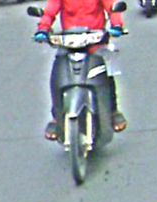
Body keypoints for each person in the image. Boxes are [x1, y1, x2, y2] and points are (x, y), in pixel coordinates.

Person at [33, 0, 127, 140]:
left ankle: (113, 111)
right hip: (69, 42)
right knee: (58, 73)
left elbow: (112, 7)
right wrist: (43, 28)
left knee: (107, 74)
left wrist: (117, 25)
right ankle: (56, 117)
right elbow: (50, 11)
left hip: (95, 41)